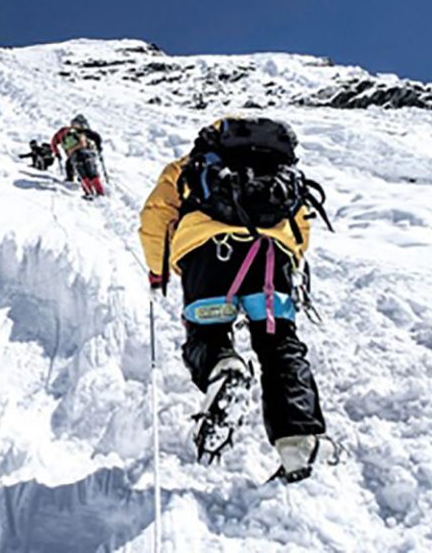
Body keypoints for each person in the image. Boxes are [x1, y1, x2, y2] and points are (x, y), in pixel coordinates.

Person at [138, 116, 335, 483]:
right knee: (280, 345)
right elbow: (301, 226)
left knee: (207, 334)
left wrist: (158, 271)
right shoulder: (280, 171)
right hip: (271, 257)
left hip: (207, 255)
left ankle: (222, 368)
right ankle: (298, 442)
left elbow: (155, 217)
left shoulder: (189, 167)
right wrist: (289, 260)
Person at [50, 115, 105, 197]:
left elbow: (53, 143)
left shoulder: (62, 132)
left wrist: (57, 153)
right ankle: (100, 192)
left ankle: (88, 192)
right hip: (88, 152)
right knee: (92, 173)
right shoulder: (81, 130)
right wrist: (99, 147)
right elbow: (96, 136)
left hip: (74, 155)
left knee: (82, 174)